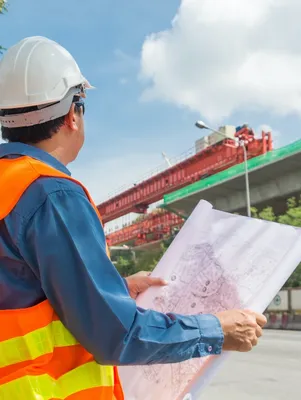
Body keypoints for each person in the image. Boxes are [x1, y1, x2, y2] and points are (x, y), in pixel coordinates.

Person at [0, 36, 266, 400]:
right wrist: (217, 329)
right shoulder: (52, 195)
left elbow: (20, 292)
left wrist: (115, 288)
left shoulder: (9, 187)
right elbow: (116, 334)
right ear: (71, 116)